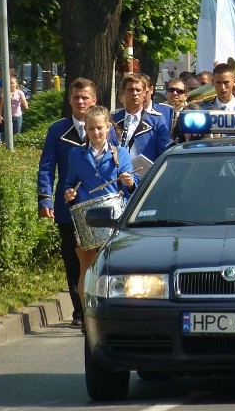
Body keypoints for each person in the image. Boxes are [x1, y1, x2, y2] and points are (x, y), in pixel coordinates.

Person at [38, 78, 102, 327]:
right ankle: (79, 310)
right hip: (69, 207)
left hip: (99, 206)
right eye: (76, 97)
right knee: (72, 258)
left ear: (94, 100)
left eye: (85, 97)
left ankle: (98, 306)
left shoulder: (105, 126)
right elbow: (47, 166)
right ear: (70, 100)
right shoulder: (58, 130)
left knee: (99, 258)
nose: (81, 102)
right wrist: (45, 197)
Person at [64, 106, 138, 309]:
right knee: (86, 268)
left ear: (108, 128)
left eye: (99, 128)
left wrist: (129, 181)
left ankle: (120, 310)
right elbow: (70, 183)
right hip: (86, 218)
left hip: (113, 218)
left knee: (118, 268)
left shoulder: (120, 153)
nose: (95, 133)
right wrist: (69, 193)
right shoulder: (76, 154)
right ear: (85, 130)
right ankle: (87, 316)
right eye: (91, 129)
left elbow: (131, 183)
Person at [112, 73, 172, 162]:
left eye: (138, 90)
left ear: (144, 93)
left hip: (144, 173)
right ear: (123, 92)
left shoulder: (156, 120)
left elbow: (163, 153)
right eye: (130, 90)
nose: (135, 93)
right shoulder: (113, 119)